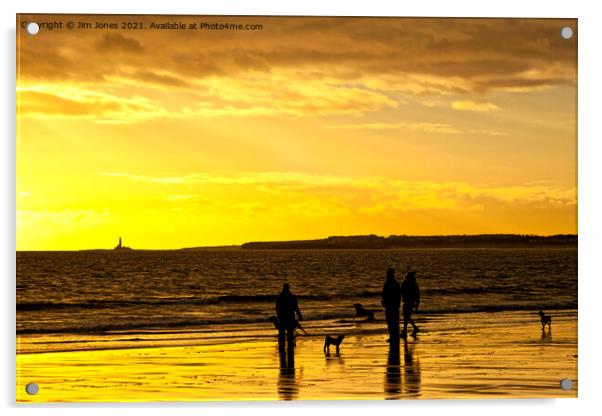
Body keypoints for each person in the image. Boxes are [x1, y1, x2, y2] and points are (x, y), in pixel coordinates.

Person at [275, 283, 303, 361]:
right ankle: (289, 349)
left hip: (283, 317)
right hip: (290, 317)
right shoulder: (292, 297)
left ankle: (282, 349)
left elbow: (277, 308)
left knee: (282, 334)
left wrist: (278, 316)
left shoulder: (280, 297)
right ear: (289, 288)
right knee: (289, 334)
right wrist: (300, 316)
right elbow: (296, 308)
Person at [381, 268, 401, 344]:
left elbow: (384, 293)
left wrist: (383, 301)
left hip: (390, 305)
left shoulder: (388, 283)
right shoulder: (396, 283)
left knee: (391, 322)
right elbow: (399, 295)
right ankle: (395, 336)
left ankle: (393, 337)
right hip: (394, 305)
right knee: (394, 322)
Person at [400, 271, 420, 339]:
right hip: (409, 302)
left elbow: (401, 291)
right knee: (406, 317)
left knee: (406, 317)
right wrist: (417, 304)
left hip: (408, 302)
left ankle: (405, 331)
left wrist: (417, 303)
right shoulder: (413, 284)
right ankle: (413, 328)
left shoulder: (407, 283)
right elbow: (417, 295)